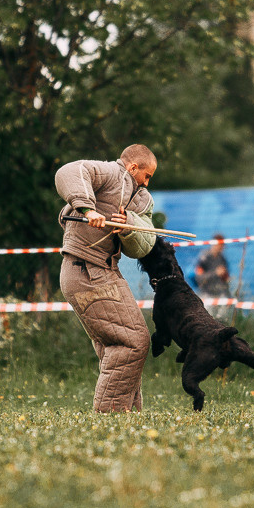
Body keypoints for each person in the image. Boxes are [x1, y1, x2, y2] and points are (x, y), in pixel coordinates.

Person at [56, 144, 158, 412]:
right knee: (132, 341)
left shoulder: (142, 200)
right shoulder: (109, 172)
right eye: (146, 176)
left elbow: (145, 244)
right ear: (133, 167)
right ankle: (110, 416)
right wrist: (88, 210)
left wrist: (128, 225)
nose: (148, 183)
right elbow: (70, 171)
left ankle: (127, 416)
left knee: (118, 346)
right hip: (85, 268)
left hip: (105, 270)